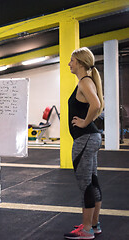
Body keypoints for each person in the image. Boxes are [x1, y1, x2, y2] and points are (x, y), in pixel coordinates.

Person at [64, 47, 104, 240]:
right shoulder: (86, 81)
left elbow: (96, 105)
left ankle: (86, 230)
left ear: (79, 62)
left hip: (85, 139)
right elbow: (95, 104)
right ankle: (93, 225)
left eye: (71, 60)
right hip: (90, 138)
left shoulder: (84, 82)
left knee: (85, 185)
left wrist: (84, 122)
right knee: (92, 182)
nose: (69, 64)